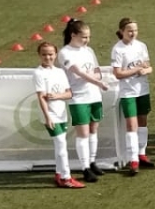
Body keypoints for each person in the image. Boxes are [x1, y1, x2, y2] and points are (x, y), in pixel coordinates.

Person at [62, 18, 109, 180]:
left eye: (88, 37)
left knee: (93, 130)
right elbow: (78, 73)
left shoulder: (89, 51)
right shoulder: (65, 53)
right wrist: (97, 82)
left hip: (94, 95)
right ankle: (85, 167)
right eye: (83, 37)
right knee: (83, 133)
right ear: (73, 35)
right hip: (78, 97)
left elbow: (97, 72)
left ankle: (92, 161)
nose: (87, 40)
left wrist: (94, 79)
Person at [30, 43, 81, 190]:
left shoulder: (60, 72)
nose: (48, 57)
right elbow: (41, 97)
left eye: (50, 54)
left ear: (55, 54)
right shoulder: (38, 73)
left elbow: (69, 93)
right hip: (51, 114)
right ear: (39, 55)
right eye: (44, 54)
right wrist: (47, 117)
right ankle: (66, 177)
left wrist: (57, 96)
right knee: (61, 144)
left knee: (60, 144)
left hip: (61, 113)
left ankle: (59, 173)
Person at [111, 17, 155, 170]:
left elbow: (148, 67)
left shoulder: (141, 46)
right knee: (131, 124)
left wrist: (146, 70)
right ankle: (133, 158)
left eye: (135, 30)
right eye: (129, 30)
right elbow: (118, 74)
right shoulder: (118, 49)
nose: (133, 33)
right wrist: (137, 69)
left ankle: (142, 154)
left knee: (143, 122)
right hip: (128, 92)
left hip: (143, 89)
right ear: (122, 31)